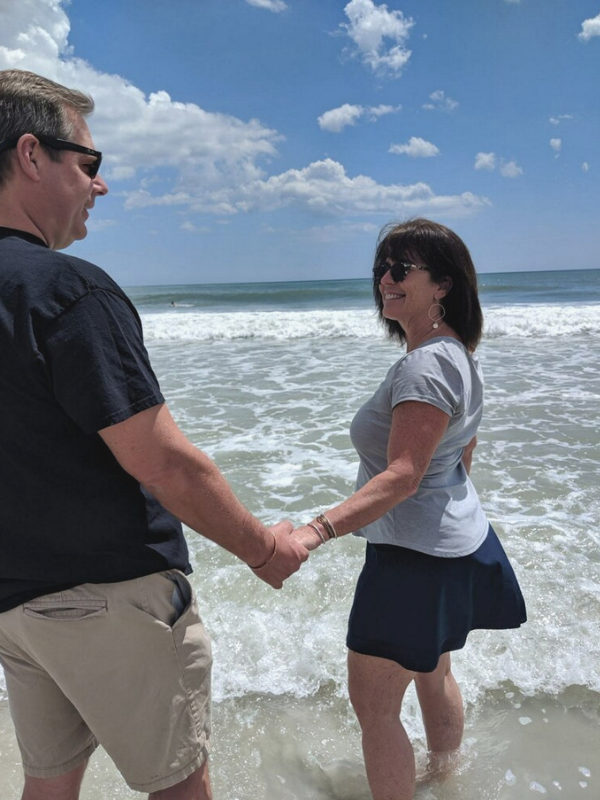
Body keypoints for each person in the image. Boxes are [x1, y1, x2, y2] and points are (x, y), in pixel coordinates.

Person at [0, 69, 309, 800]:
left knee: (48, 783)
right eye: (90, 163)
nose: (99, 186)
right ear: (31, 155)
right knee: (178, 786)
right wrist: (264, 549)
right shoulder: (66, 290)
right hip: (110, 596)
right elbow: (163, 462)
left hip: (16, 604)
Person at [291, 218, 526, 800]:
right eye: (380, 269)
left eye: (401, 269)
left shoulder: (427, 364)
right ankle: (446, 781)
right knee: (434, 670)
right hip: (453, 545)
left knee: (374, 709)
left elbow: (403, 475)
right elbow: (460, 453)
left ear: (442, 285)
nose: (385, 280)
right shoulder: (456, 356)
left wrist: (313, 532)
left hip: (413, 559)